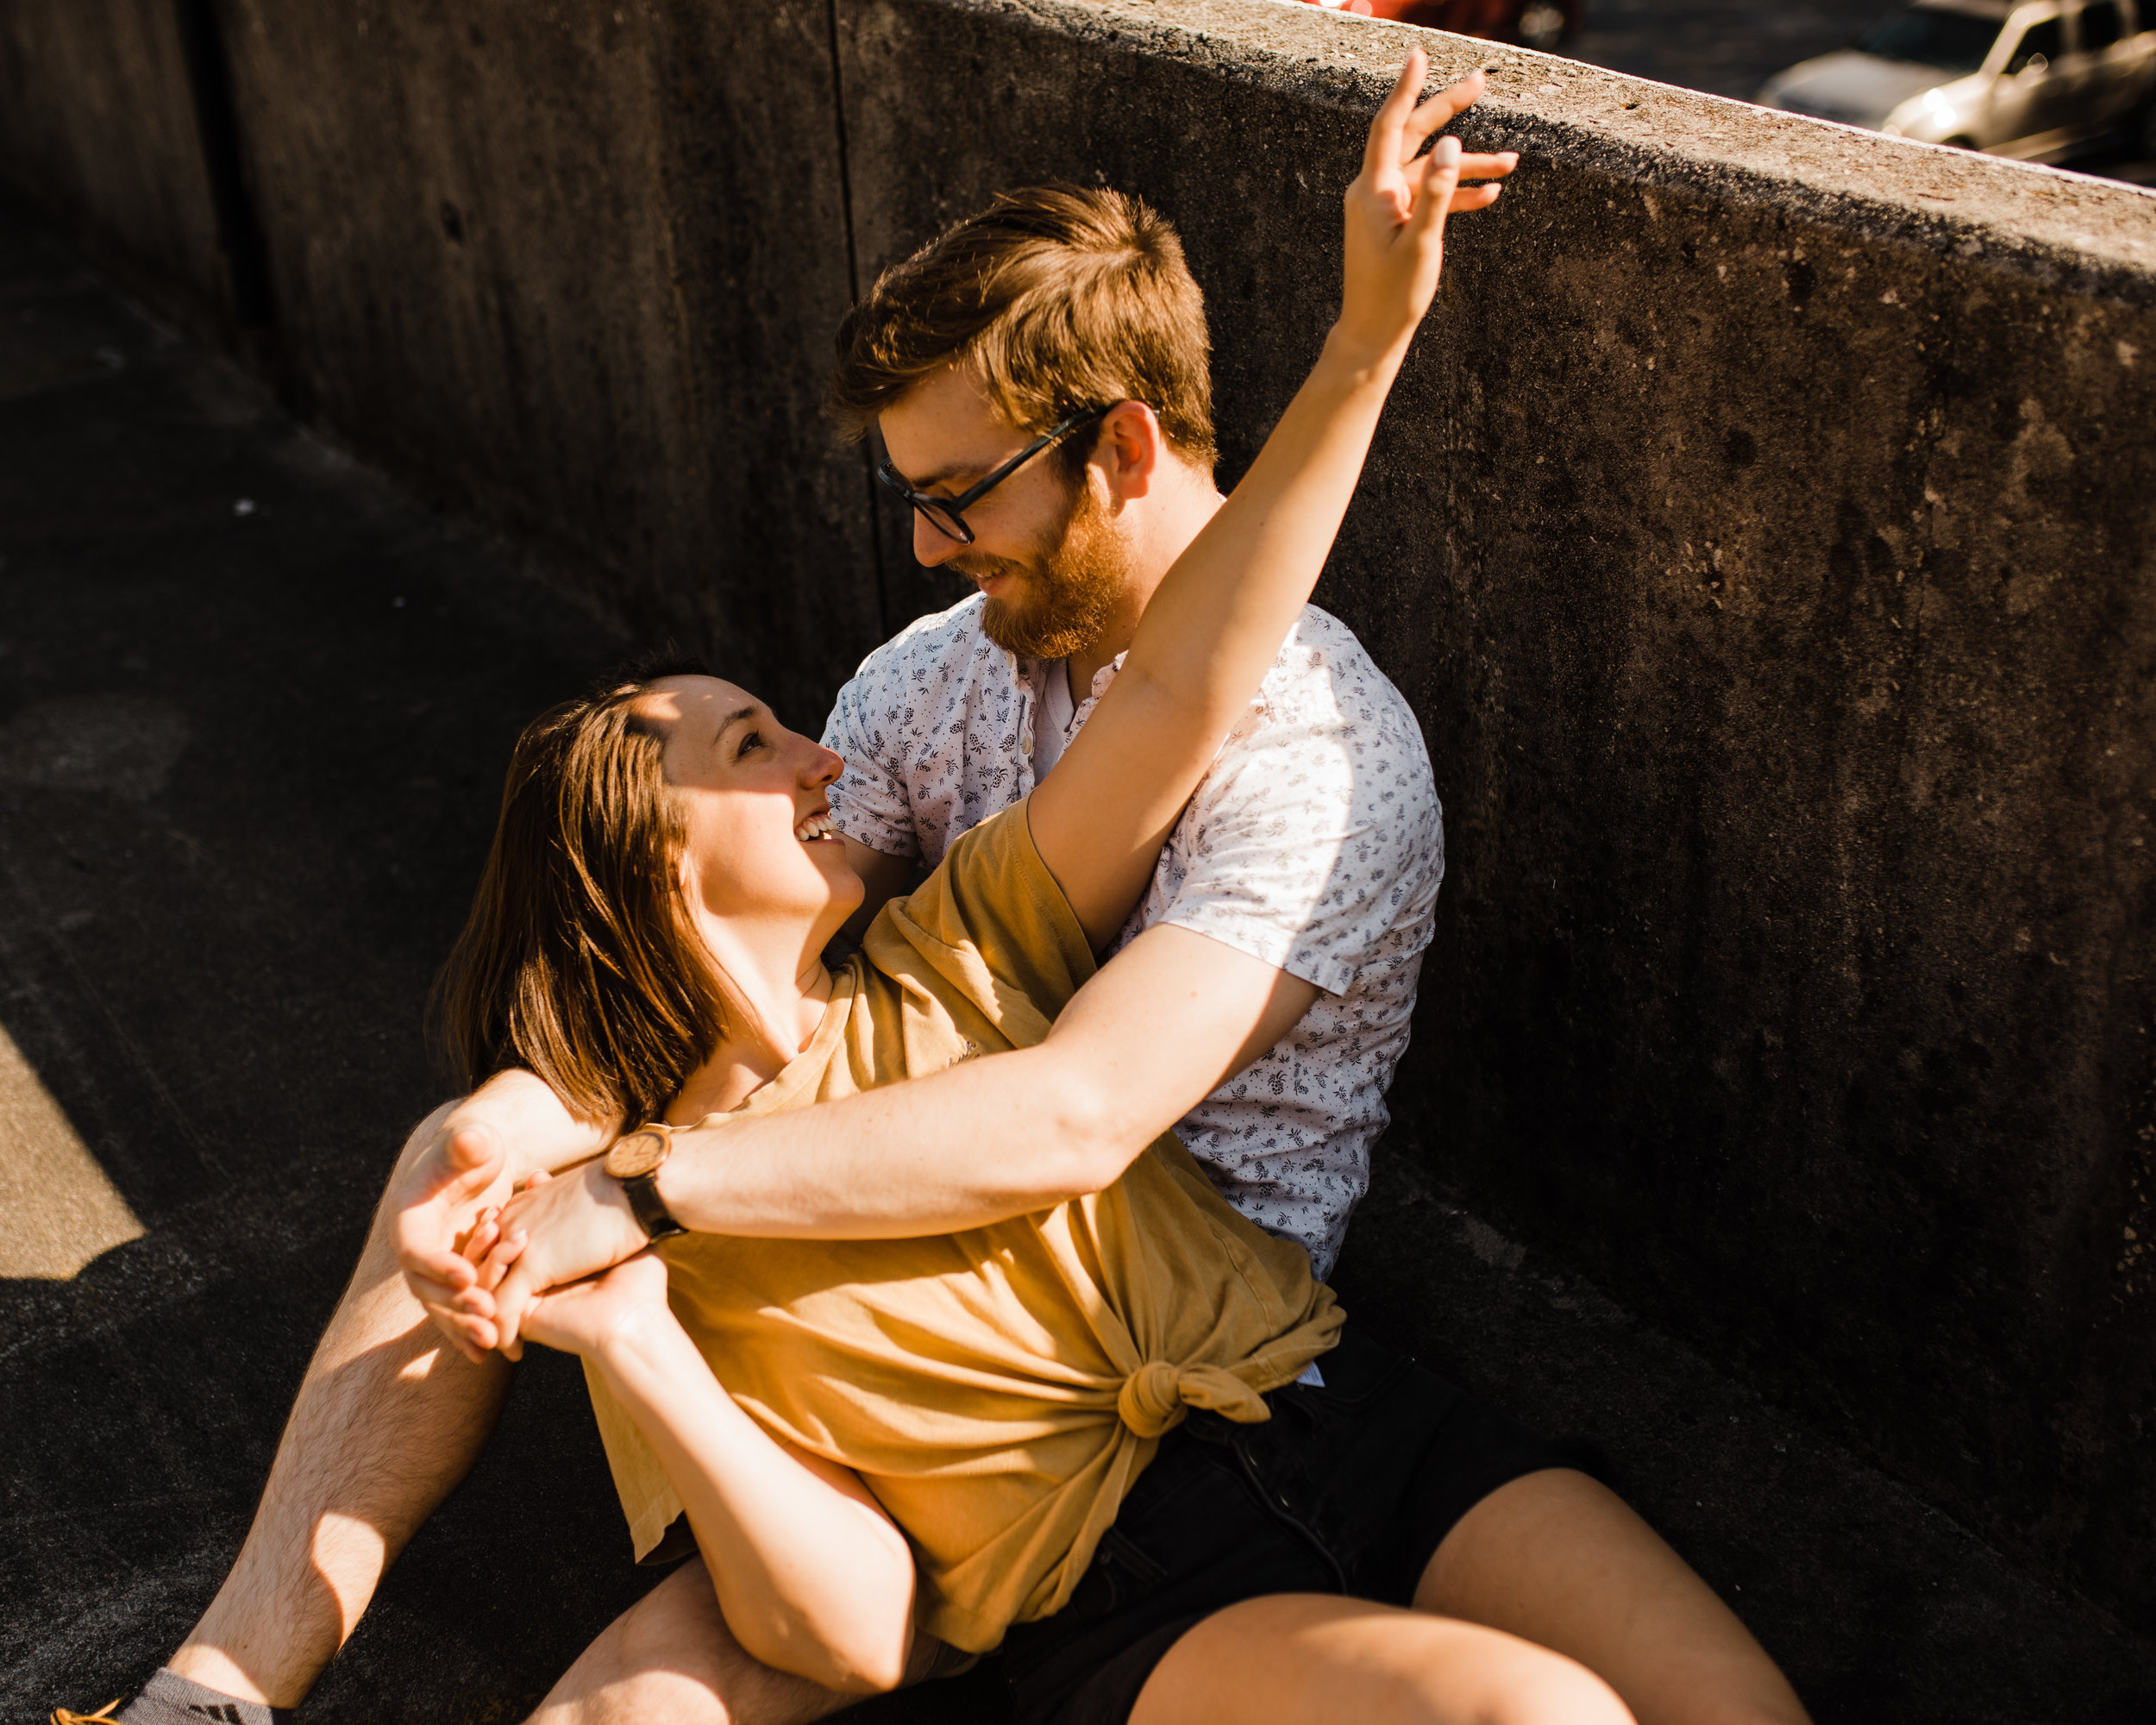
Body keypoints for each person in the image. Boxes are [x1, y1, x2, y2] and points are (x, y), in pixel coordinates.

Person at [52, 59, 1800, 1725]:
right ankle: (213, 1693)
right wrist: (525, 1154)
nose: (912, 560)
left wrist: (1364, 342)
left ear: (1116, 450)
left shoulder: (1299, 766)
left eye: (953, 497)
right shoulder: (923, 695)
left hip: (1250, 1339)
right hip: (993, 1478)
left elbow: (1064, 1098)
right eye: (759, 747)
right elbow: (735, 977)